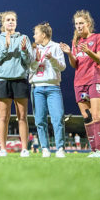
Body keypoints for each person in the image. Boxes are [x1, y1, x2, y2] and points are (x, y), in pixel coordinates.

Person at [60, 10, 100, 158]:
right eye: (76, 24)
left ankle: (99, 150)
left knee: (97, 115)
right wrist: (69, 54)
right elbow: (75, 65)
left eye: (81, 23)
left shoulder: (98, 37)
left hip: (95, 79)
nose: (79, 26)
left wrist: (88, 51)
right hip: (79, 82)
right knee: (86, 116)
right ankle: (93, 150)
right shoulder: (76, 42)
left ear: (88, 24)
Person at [0, 11, 34, 157]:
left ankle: (24, 149)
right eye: (8, 20)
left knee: (22, 116)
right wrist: (6, 46)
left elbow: (29, 61)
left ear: (16, 22)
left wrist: (23, 51)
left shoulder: (24, 38)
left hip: (20, 79)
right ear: (3, 23)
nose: (10, 22)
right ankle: (2, 149)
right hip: (3, 79)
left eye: (13, 20)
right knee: (4, 117)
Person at [29, 22, 67, 158]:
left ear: (43, 35)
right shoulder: (33, 49)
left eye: (36, 33)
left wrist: (52, 59)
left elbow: (62, 67)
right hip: (37, 88)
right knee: (40, 120)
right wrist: (36, 61)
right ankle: (45, 148)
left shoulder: (56, 47)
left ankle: (60, 148)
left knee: (57, 118)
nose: (34, 36)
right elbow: (30, 69)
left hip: (53, 88)